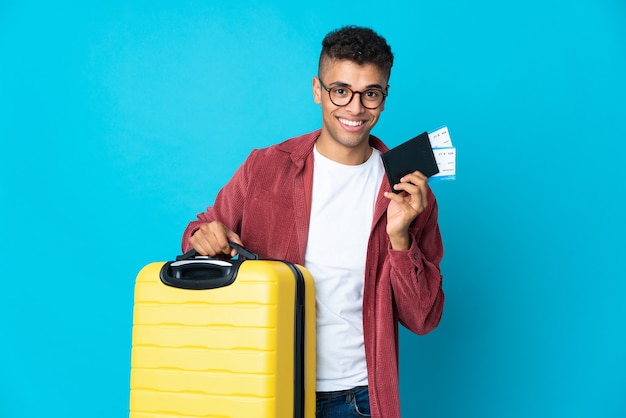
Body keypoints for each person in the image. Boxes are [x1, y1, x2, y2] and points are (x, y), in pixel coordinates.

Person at [182, 25, 444, 418]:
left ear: (384, 99)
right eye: (341, 90)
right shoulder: (264, 168)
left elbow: (423, 318)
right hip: (265, 387)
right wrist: (203, 235)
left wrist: (400, 238)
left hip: (359, 398)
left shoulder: (408, 192)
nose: (355, 108)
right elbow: (199, 234)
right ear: (317, 90)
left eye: (370, 94)